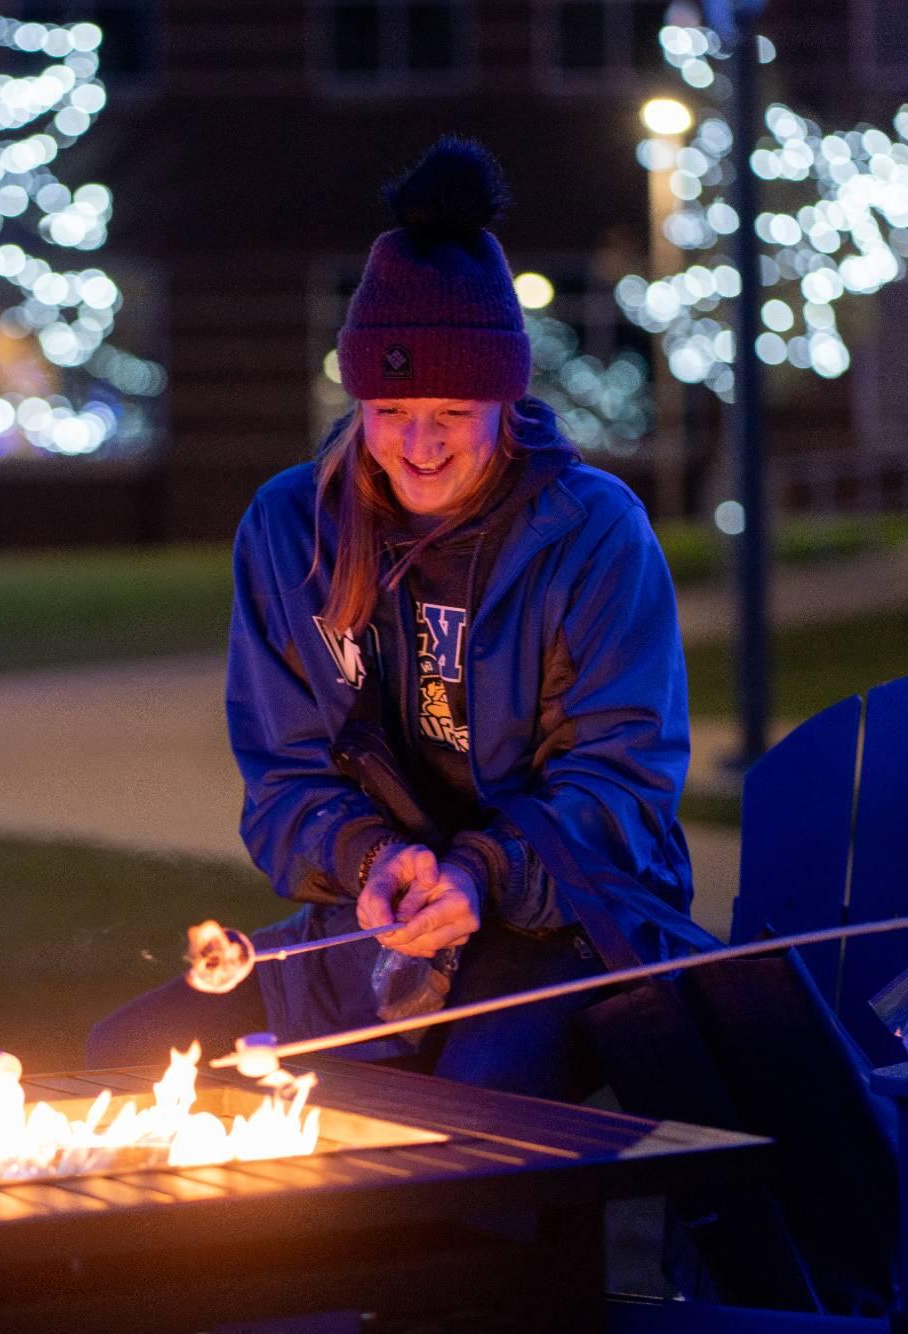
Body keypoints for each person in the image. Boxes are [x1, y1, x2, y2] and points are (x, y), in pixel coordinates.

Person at [90, 140, 704, 1100]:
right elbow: (284, 777)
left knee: (465, 1104)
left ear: (506, 399)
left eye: (453, 410)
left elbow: (621, 784)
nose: (418, 447)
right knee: (130, 1057)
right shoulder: (292, 529)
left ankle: (497, 1249)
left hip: (569, 920)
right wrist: (370, 858)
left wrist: (479, 875)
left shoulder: (590, 533)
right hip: (374, 922)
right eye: (390, 407)